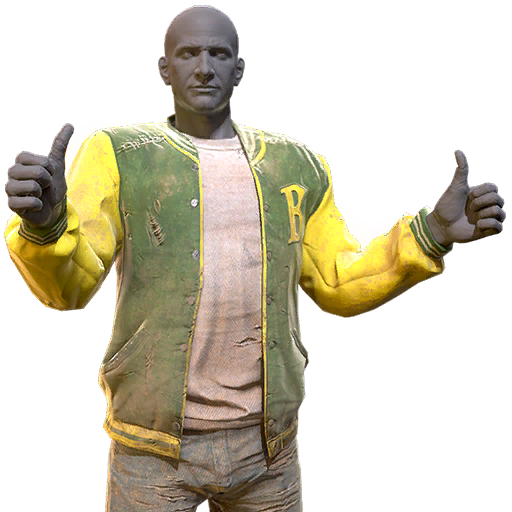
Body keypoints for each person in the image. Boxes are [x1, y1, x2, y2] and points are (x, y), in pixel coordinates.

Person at [3, 5, 506, 512]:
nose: (204, 68)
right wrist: (45, 226)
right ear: (164, 68)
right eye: (188, 54)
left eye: (219, 54)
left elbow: (338, 280)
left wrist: (432, 233)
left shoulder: (296, 164)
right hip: (151, 450)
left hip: (270, 450)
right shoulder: (119, 153)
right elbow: (70, 288)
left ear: (239, 69)